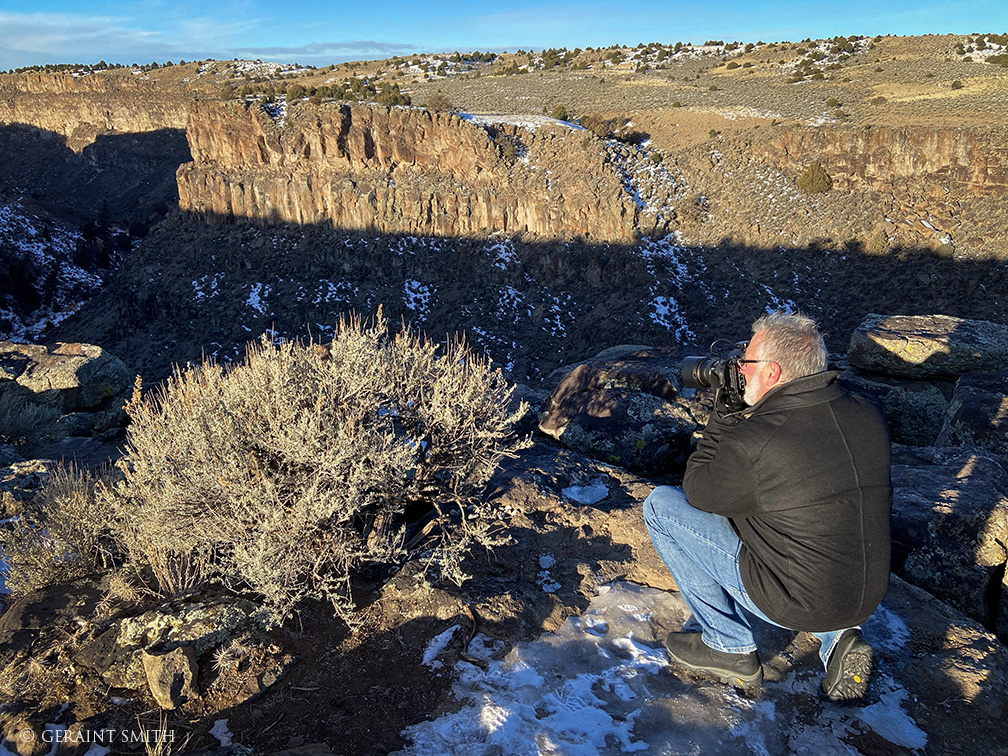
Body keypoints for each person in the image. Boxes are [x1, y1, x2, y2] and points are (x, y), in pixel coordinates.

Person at [643, 310, 891, 703]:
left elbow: (698, 491)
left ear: (772, 373)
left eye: (746, 362)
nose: (739, 368)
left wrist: (723, 417)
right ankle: (838, 636)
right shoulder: (866, 410)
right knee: (799, 511)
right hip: (865, 593)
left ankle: (727, 646)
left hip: (795, 600)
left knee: (660, 506)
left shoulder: (758, 441)